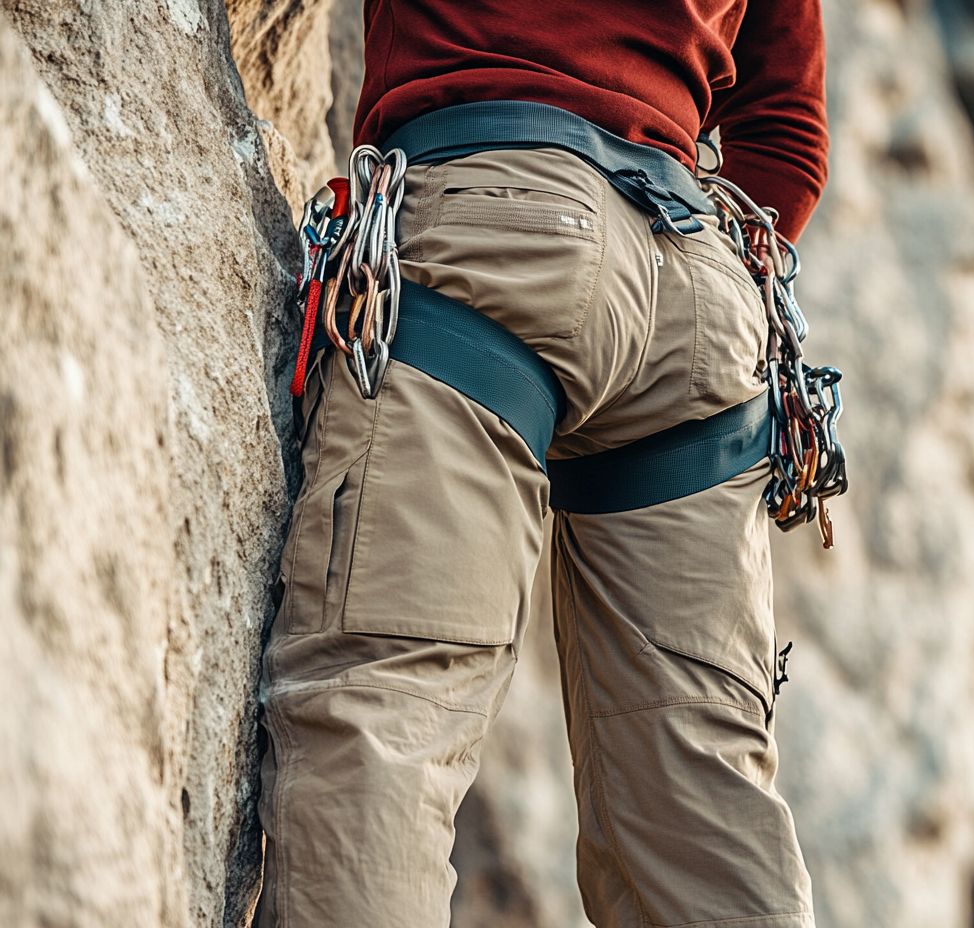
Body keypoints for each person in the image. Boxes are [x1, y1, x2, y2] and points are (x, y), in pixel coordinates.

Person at [256, 1, 829, 925]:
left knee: (386, 718)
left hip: (495, 222)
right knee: (704, 800)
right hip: (697, 301)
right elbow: (788, 133)